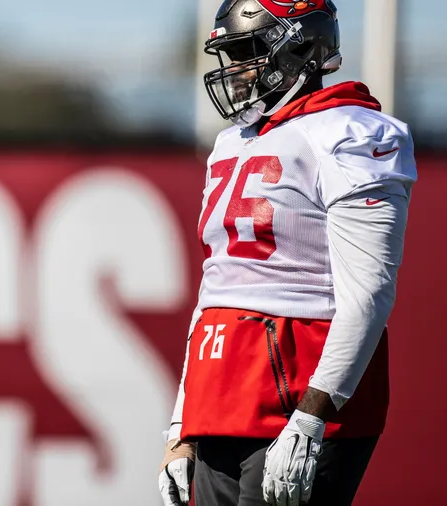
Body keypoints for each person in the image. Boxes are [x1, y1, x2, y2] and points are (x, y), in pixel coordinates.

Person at [157, 0, 417, 505]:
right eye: (231, 55)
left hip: (299, 392)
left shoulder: (350, 132)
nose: (236, 69)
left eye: (248, 52)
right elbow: (216, 291)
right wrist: (180, 427)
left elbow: (369, 294)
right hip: (220, 394)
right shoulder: (232, 142)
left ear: (300, 48)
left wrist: (313, 415)